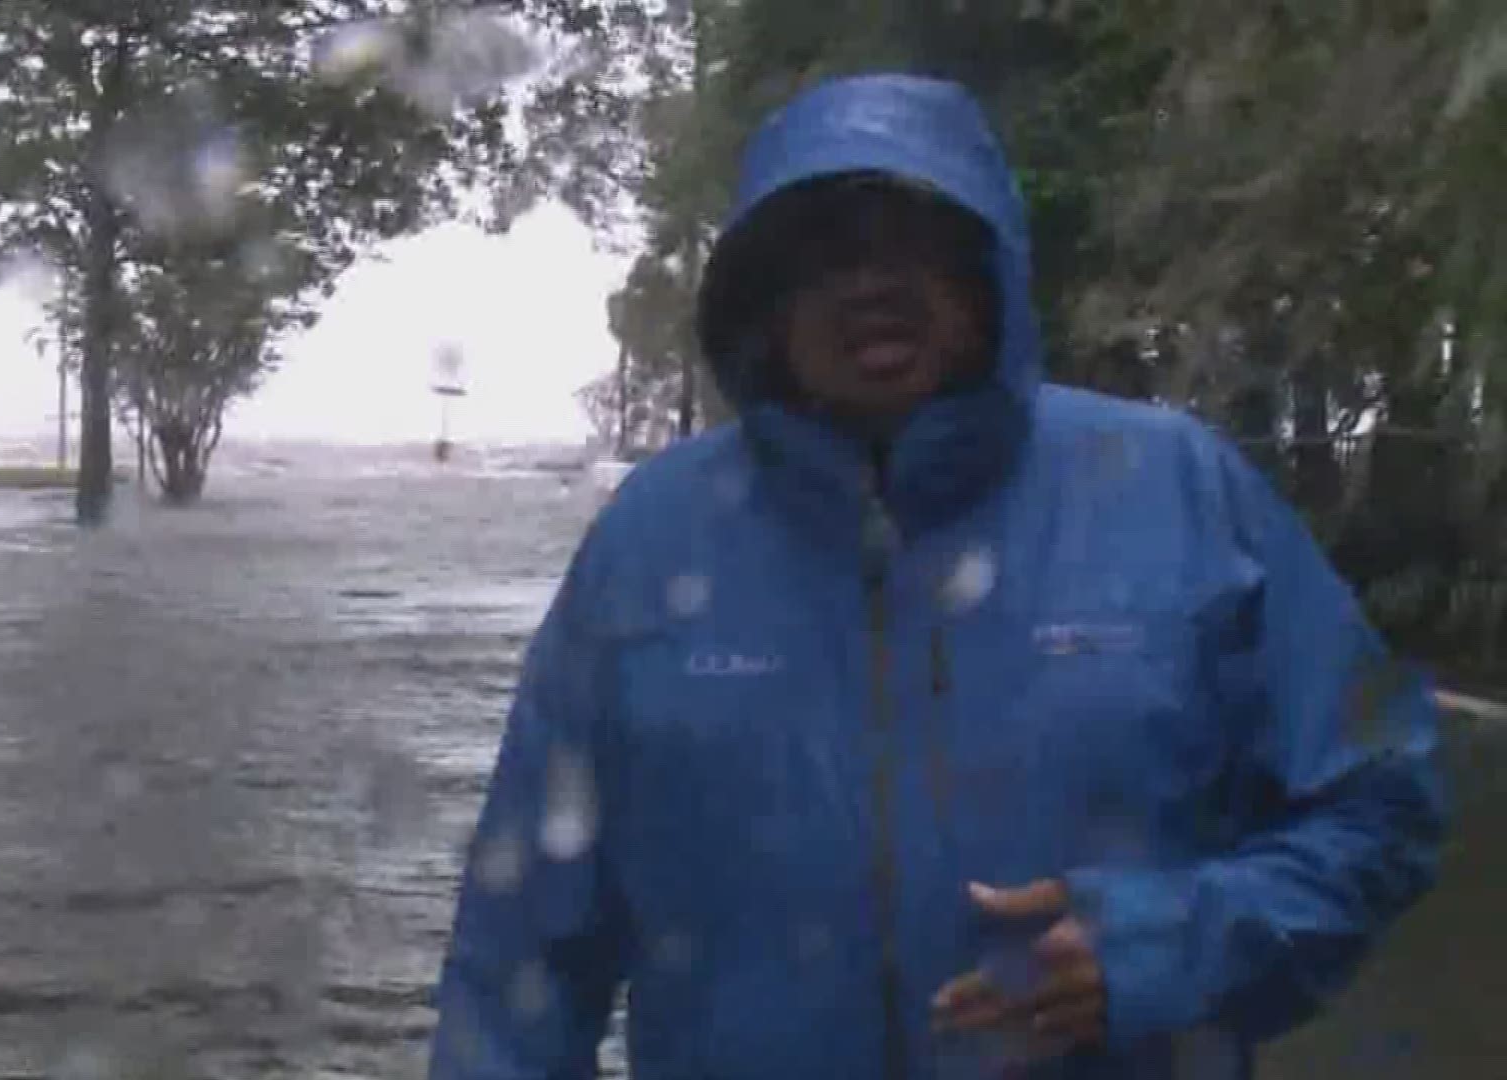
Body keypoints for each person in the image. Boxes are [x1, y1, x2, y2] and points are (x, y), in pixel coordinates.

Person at [428, 73, 1444, 1079]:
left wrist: (1166, 946)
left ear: (985, 273)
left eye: (914, 237)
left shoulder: (1177, 491)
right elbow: (520, 950)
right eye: (824, 250)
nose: (873, 280)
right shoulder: (652, 539)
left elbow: (1382, 803)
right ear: (761, 305)